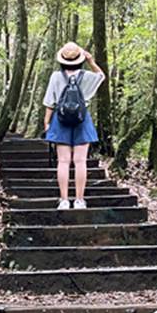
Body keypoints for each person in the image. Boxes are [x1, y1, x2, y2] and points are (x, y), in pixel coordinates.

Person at [42, 41, 105, 210]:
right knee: (80, 162)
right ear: (80, 59)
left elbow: (49, 102)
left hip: (60, 120)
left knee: (63, 162)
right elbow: (101, 76)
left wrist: (47, 122)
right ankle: (79, 200)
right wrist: (91, 61)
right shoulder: (86, 76)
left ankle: (64, 200)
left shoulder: (56, 76)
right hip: (82, 120)